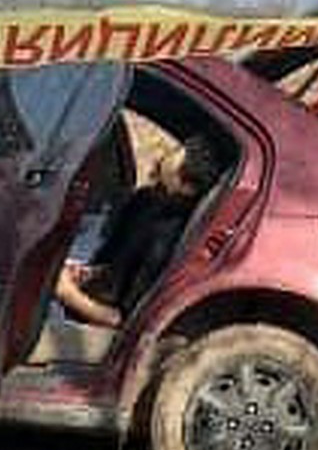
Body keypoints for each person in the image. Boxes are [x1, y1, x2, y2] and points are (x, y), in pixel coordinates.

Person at [55, 134, 222, 328]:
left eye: (175, 154)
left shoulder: (166, 240)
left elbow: (122, 320)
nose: (164, 155)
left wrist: (67, 294)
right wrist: (88, 272)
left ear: (187, 187)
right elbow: (117, 267)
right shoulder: (145, 202)